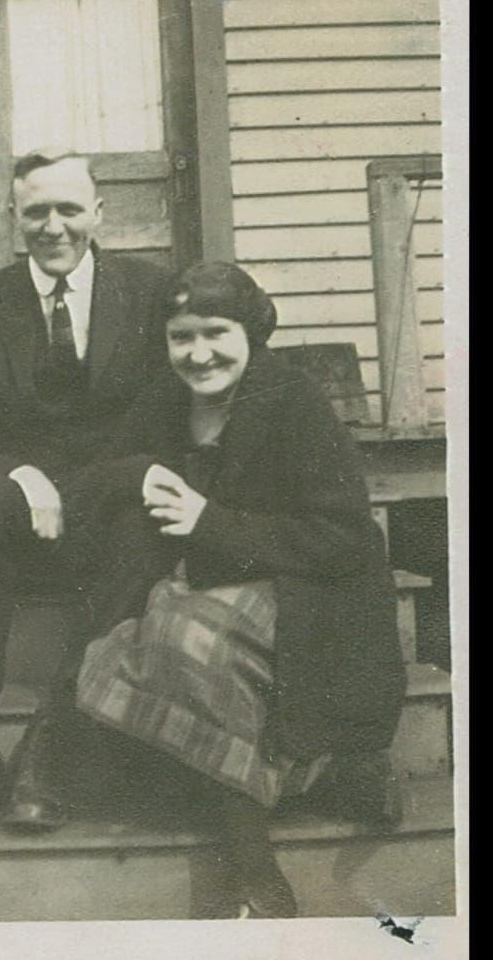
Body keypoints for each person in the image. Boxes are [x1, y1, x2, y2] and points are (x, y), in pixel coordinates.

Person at [72, 260, 407, 917]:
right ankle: (282, 830)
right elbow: (93, 476)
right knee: (152, 633)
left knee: (191, 638)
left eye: (215, 333)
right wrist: (139, 471)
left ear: (251, 331)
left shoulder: (292, 400)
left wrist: (209, 522)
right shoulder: (165, 401)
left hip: (308, 590)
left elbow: (345, 539)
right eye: (181, 337)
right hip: (208, 583)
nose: (198, 355)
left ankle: (253, 870)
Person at [0, 146, 167, 835]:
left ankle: (52, 742)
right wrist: (17, 473)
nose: (54, 226)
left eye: (69, 209)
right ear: (14, 218)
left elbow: (173, 419)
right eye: (36, 211)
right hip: (26, 503)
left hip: (113, 500)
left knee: (142, 524)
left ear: (98, 214)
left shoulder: (149, 292)